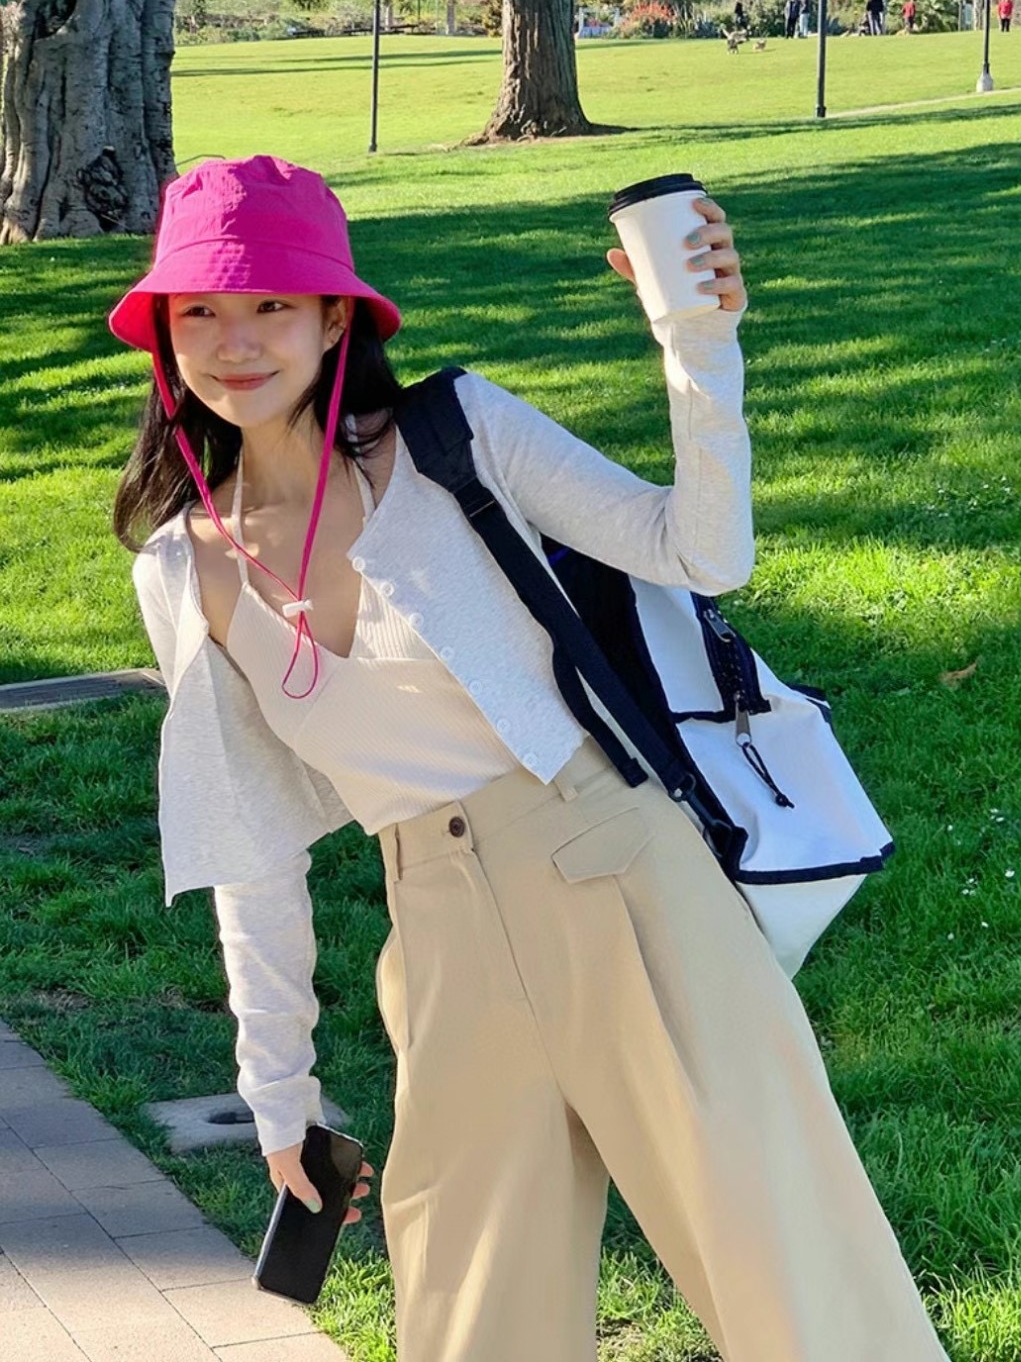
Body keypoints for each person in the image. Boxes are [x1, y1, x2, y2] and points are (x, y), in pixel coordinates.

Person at [107, 153, 954, 1362]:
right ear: (163, 333)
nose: (233, 341)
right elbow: (252, 848)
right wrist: (279, 1093)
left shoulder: (454, 436)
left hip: (623, 879)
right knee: (471, 1322)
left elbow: (699, 550)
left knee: (798, 1285)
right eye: (199, 310)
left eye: (271, 303)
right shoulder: (183, 568)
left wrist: (698, 345)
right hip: (440, 941)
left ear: (336, 316)